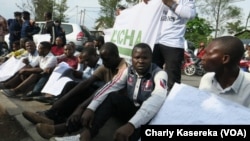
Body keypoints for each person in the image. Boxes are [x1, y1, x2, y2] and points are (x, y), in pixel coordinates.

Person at [22, 42, 128, 138]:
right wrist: (61, 100)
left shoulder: (124, 68)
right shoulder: (107, 64)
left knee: (92, 96)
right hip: (103, 92)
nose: (104, 63)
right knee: (73, 85)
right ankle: (52, 116)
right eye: (103, 59)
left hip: (113, 100)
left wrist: (81, 107)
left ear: (115, 56)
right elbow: (87, 81)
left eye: (106, 60)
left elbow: (105, 90)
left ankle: (62, 128)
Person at [143, 0, 196, 90]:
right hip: (154, 40)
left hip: (173, 42)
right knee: (151, 77)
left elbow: (191, 14)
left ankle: (171, 101)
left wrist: (170, 3)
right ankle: (151, 100)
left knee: (173, 79)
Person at [199, 36, 250, 107]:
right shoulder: (206, 79)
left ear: (225, 59)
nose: (202, 57)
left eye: (208, 54)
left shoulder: (248, 87)